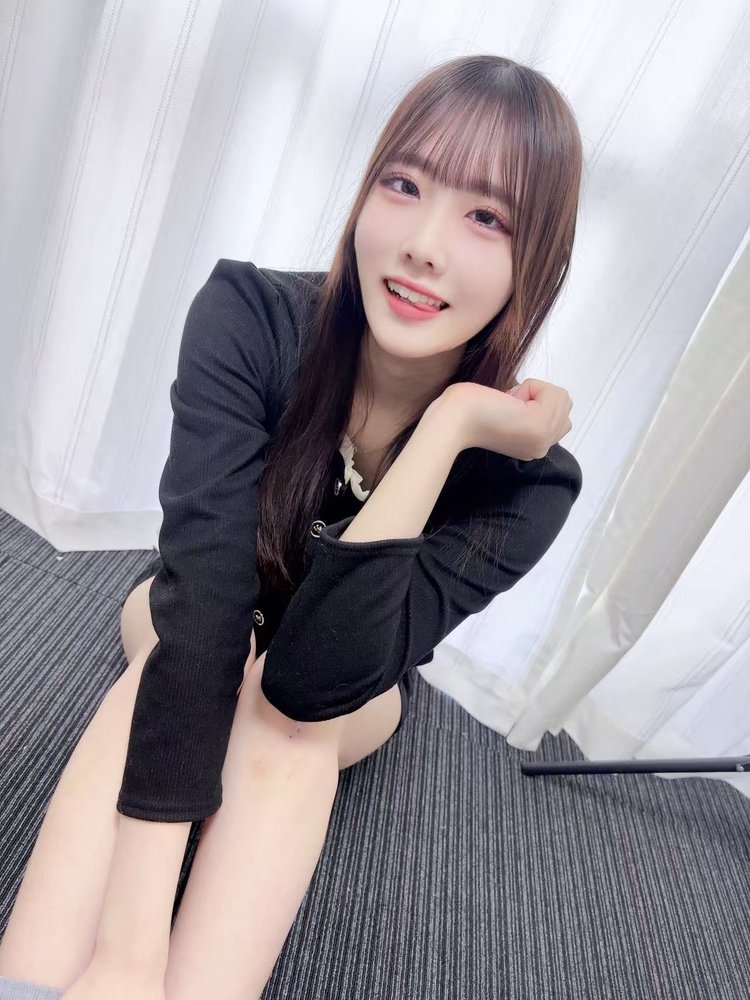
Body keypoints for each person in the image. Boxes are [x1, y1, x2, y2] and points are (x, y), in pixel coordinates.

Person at [0, 53, 583, 999]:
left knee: (287, 731)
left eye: (487, 217)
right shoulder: (250, 318)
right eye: (404, 184)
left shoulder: (530, 480)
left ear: (539, 261)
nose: (424, 244)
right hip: (195, 608)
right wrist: (128, 957)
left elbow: (316, 684)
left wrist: (448, 428)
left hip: (349, 686)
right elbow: (202, 612)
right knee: (188, 663)